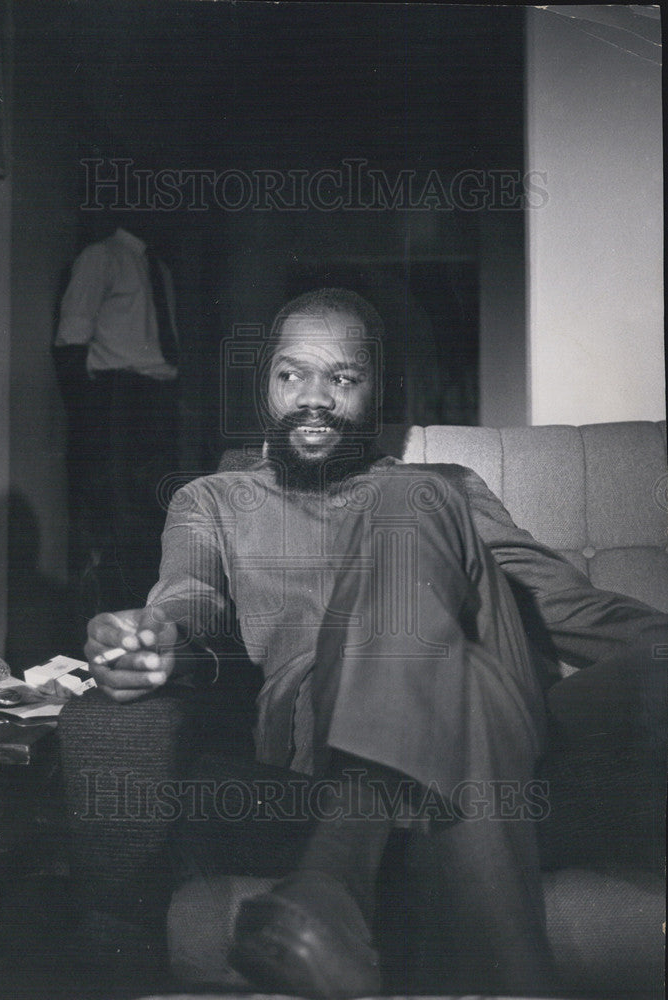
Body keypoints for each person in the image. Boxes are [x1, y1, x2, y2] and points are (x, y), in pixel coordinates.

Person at [86, 288, 667, 997]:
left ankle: (332, 879)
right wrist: (154, 635)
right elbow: (192, 596)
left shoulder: (448, 487)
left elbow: (564, 604)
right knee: (461, 661)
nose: (314, 397)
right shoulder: (212, 498)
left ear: (374, 391)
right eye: (291, 374)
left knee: (419, 508)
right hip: (321, 712)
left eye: (343, 378)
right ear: (264, 382)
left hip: (517, 700)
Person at [54, 223, 181, 618]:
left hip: (157, 401)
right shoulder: (101, 257)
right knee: (114, 518)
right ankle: (107, 631)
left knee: (152, 518)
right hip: (118, 399)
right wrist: (92, 415)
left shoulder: (158, 267)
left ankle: (146, 632)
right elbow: (71, 341)